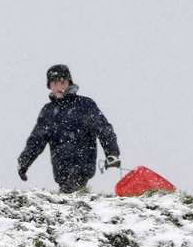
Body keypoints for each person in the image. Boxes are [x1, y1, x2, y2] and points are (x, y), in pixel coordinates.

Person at [17, 64, 121, 194]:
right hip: (61, 167)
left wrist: (112, 153)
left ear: (69, 83)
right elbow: (37, 139)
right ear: (49, 86)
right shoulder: (48, 111)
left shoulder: (85, 105)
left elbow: (104, 129)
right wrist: (24, 162)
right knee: (67, 198)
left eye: (62, 82)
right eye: (54, 83)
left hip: (83, 164)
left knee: (74, 193)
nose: (59, 87)